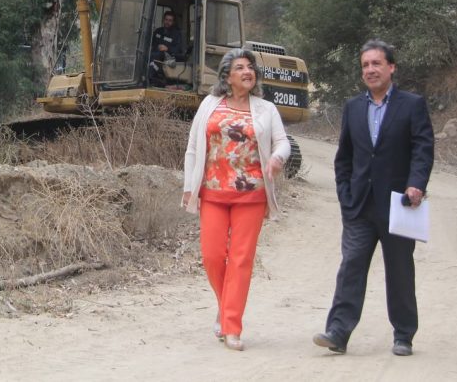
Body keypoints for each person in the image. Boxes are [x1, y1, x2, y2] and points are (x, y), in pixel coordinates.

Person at [314, 39, 434, 357]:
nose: (370, 70)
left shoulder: (412, 105)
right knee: (351, 267)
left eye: (376, 63)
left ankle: (404, 335)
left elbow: (423, 149)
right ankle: (338, 332)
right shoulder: (353, 107)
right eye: (365, 65)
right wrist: (345, 195)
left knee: (400, 271)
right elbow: (344, 157)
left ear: (391, 67)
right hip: (360, 206)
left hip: (399, 205)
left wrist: (416, 184)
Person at [181, 48, 290, 352]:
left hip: (251, 193)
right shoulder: (209, 104)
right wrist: (189, 185)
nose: (247, 71)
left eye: (250, 67)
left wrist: (277, 159)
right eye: (240, 67)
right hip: (213, 191)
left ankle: (232, 326)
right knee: (212, 256)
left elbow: (282, 142)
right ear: (227, 76)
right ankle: (225, 304)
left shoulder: (266, 109)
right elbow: (193, 147)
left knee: (241, 260)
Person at [149, 10, 184, 85]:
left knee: (155, 57)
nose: (167, 22)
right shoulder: (158, 31)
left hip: (168, 58)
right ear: (163, 20)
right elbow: (150, 43)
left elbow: (178, 49)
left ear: (173, 22)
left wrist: (167, 48)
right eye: (166, 19)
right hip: (154, 55)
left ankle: (152, 79)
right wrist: (157, 46)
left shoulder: (176, 34)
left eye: (170, 20)